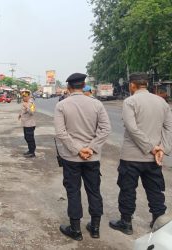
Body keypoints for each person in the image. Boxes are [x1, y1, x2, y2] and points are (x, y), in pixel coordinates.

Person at [109, 72, 172, 235]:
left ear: (132, 85)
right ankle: (159, 223)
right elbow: (168, 128)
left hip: (131, 156)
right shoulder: (162, 102)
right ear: (146, 84)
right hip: (153, 158)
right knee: (155, 191)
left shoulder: (130, 101)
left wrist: (152, 147)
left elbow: (132, 128)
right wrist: (161, 149)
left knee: (127, 189)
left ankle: (126, 223)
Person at [54, 73, 111, 241]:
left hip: (71, 158)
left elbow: (60, 133)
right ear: (84, 85)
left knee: (73, 191)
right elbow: (105, 129)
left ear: (69, 88)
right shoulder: (97, 104)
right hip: (92, 158)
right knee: (94, 191)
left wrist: (78, 150)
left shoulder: (62, 105)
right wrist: (91, 148)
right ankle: (95, 228)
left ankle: (76, 230)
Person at [18, 90, 37, 158]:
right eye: (23, 96)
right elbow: (22, 110)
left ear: (29, 96)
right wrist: (20, 115)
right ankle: (30, 150)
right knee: (26, 137)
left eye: (25, 96)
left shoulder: (31, 103)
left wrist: (27, 107)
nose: (24, 98)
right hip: (25, 123)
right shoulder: (24, 102)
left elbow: (32, 112)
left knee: (30, 138)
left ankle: (32, 152)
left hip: (30, 124)